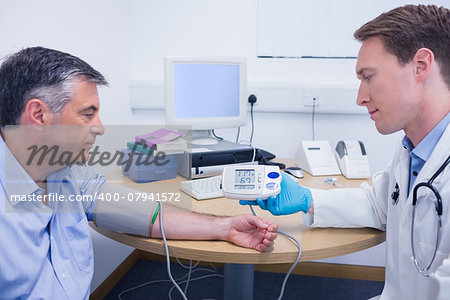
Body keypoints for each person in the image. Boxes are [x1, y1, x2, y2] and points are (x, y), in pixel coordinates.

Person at [0, 47, 278, 299]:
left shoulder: (68, 173)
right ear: (38, 116)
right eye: (88, 114)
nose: (100, 127)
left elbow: (148, 214)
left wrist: (224, 227)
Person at [242, 4, 450, 300]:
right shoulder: (413, 153)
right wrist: (306, 198)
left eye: (368, 77)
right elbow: (379, 204)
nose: (360, 98)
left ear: (421, 66)